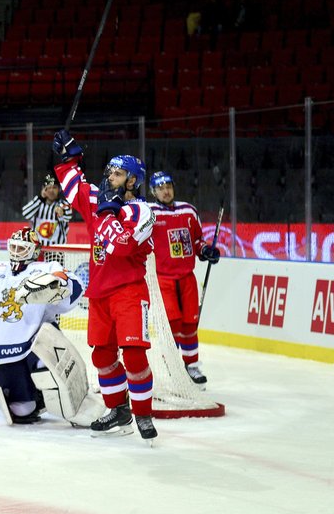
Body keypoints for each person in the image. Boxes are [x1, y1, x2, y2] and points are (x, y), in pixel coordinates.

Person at [51, 131, 159, 444]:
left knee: (135, 356)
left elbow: (123, 246)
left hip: (129, 291)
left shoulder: (142, 211)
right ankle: (118, 410)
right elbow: (73, 188)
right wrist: (69, 157)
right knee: (102, 356)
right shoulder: (99, 201)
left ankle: (143, 412)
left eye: (119, 173)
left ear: (132, 181)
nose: (111, 176)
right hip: (99, 292)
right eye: (110, 171)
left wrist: (108, 212)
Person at [0, 226, 85, 424]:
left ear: (34, 250)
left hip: (39, 341)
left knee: (50, 374)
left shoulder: (46, 269)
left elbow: (74, 284)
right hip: (3, 349)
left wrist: (58, 284)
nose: (16, 252)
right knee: (22, 410)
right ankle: (36, 400)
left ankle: (69, 398)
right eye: (14, 247)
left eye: (22, 248)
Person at [147, 171, 221, 385]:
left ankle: (192, 366)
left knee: (190, 324)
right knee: (172, 324)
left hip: (187, 277)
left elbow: (197, 240)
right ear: (154, 192)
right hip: (163, 278)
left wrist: (206, 250)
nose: (166, 191)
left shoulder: (188, 210)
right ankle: (172, 365)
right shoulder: (149, 213)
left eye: (168, 186)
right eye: (160, 188)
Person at [21, 174, 73, 246]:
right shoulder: (37, 204)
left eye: (54, 187)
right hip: (38, 249)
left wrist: (62, 212)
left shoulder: (62, 204)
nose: (51, 190)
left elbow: (69, 215)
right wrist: (40, 198)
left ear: (59, 189)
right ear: (43, 189)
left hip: (57, 251)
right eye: (48, 188)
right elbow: (25, 213)